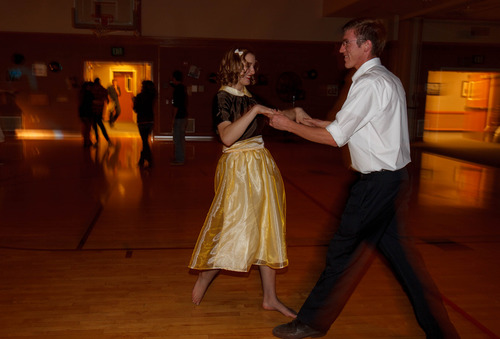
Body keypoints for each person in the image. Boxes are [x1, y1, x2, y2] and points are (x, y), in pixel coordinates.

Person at [270, 18, 459, 338]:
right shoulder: (385, 78)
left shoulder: (368, 83)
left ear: (365, 46)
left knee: (341, 252)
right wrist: (312, 120)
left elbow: (335, 139)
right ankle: (440, 332)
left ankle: (311, 322)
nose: (341, 48)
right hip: (391, 182)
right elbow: (351, 127)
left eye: (347, 42)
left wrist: (289, 126)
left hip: (376, 185)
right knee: (404, 264)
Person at [189, 47, 308, 318]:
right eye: (248, 66)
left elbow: (272, 114)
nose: (254, 71)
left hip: (260, 165)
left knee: (268, 226)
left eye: (254, 66)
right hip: (238, 167)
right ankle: (205, 277)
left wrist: (294, 111)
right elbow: (228, 137)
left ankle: (270, 297)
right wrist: (254, 110)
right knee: (231, 225)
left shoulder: (249, 97)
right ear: (233, 66)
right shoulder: (223, 97)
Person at [133, 80, 156, 168]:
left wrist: (134, 101)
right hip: (150, 120)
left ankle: (147, 158)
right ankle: (142, 159)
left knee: (144, 141)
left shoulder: (139, 96)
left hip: (142, 120)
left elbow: (136, 109)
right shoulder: (152, 96)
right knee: (145, 140)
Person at [170, 70, 188, 165]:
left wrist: (173, 119)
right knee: (181, 138)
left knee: (177, 138)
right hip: (184, 116)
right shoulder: (183, 88)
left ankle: (179, 159)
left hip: (179, 117)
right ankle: (180, 157)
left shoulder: (177, 90)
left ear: (175, 78)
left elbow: (176, 106)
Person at [91, 78, 112, 146]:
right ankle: (108, 140)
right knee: (101, 125)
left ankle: (97, 140)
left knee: (95, 126)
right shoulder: (103, 89)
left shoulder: (92, 89)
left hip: (93, 110)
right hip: (100, 109)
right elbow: (107, 99)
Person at [78, 81, 94, 147]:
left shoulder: (81, 93)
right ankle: (87, 140)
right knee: (88, 128)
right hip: (88, 112)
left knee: (85, 127)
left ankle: (86, 140)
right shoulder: (89, 94)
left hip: (83, 112)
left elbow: (80, 103)